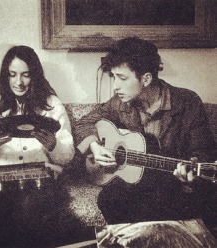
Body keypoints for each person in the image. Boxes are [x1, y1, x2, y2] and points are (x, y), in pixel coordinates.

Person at [75, 37, 217, 237]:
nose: (115, 86)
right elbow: (84, 122)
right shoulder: (120, 102)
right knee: (108, 198)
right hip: (139, 186)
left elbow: (205, 154)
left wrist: (189, 176)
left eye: (122, 78)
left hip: (174, 187)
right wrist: (96, 147)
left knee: (159, 203)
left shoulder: (187, 102)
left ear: (146, 79)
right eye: (113, 77)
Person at [0, 45, 75, 246]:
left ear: (35, 75)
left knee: (29, 206)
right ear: (5, 76)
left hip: (40, 183)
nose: (19, 82)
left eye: (26, 75)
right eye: (12, 74)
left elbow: (67, 156)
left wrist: (54, 145)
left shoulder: (52, 104)